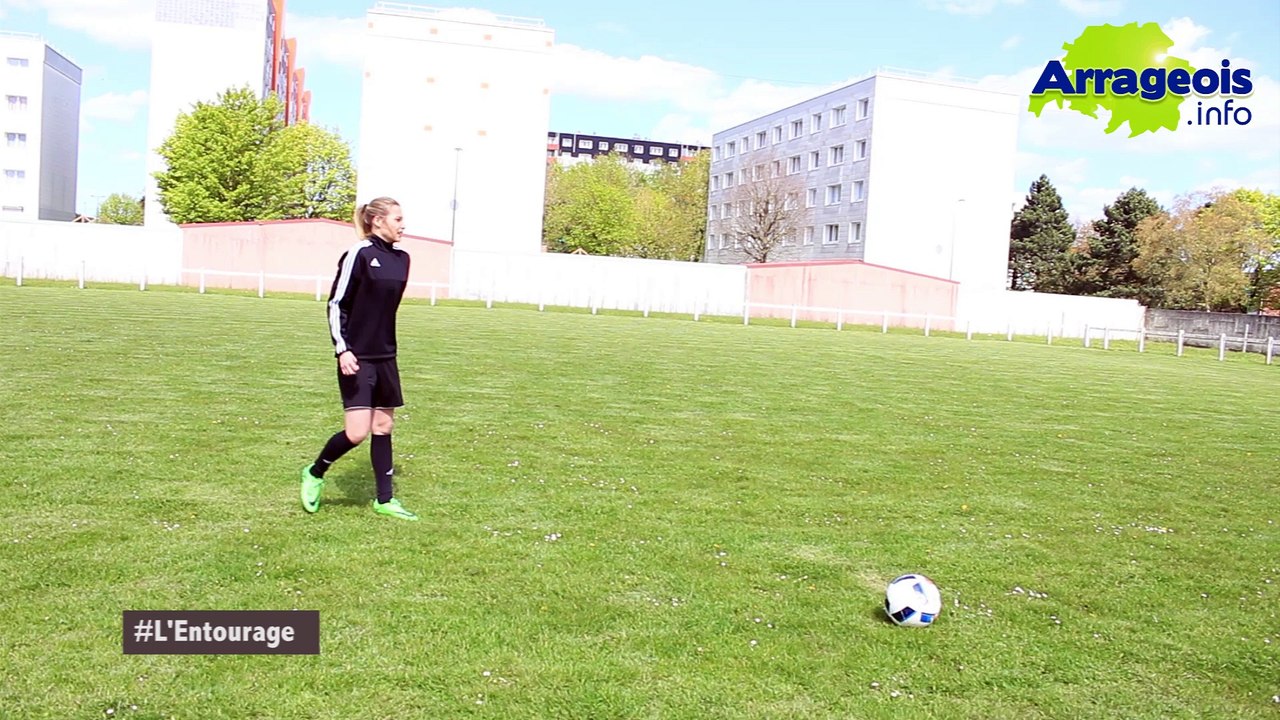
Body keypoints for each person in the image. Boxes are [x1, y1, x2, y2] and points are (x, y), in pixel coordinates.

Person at [300, 196, 418, 521]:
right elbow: (338, 304)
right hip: (357, 356)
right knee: (356, 432)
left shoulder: (403, 259)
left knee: (383, 426)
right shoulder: (359, 254)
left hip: (386, 356)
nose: (403, 225)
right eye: (397, 218)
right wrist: (343, 349)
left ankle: (385, 499)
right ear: (377, 220)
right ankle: (315, 472)